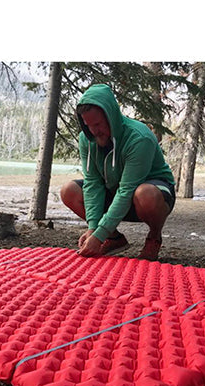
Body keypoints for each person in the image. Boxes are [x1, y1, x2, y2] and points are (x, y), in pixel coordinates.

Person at [60, 84, 175, 261]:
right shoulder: (87, 139)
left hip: (152, 196)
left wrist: (99, 236)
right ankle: (114, 238)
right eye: (88, 125)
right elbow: (93, 183)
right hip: (116, 192)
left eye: (98, 124)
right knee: (69, 190)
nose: (93, 131)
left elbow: (127, 189)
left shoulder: (139, 138)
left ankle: (154, 237)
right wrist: (93, 228)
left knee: (145, 194)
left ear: (111, 116)